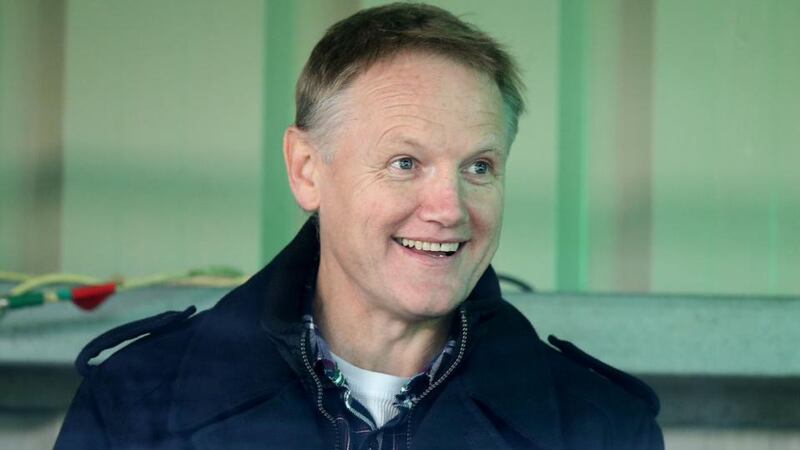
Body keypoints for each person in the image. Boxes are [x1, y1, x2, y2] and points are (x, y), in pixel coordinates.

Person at [55, 3, 663, 449]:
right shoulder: (136, 407)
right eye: (405, 162)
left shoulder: (601, 427)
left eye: (479, 166)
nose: (449, 208)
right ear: (306, 170)